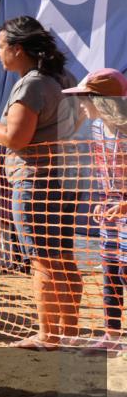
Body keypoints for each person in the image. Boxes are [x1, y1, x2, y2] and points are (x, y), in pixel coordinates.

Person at [0, 16, 82, 349]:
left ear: (17, 49)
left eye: (0, 47)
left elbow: (17, 138)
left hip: (35, 180)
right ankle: (68, 331)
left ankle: (48, 334)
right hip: (65, 179)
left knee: (41, 259)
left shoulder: (31, 84)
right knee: (64, 257)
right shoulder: (63, 77)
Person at [63, 68, 127, 353]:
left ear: (102, 100)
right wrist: (105, 200)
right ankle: (111, 336)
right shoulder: (99, 129)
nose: (81, 105)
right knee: (110, 272)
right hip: (112, 215)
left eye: (85, 99)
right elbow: (108, 174)